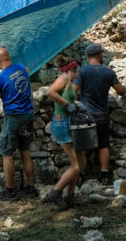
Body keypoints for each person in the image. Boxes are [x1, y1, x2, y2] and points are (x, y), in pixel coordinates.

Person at [0, 47, 38, 201]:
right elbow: (26, 71)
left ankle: (10, 191)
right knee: (25, 152)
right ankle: (31, 188)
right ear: (9, 57)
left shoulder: (0, 78)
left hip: (13, 118)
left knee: (7, 155)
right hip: (27, 115)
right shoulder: (21, 68)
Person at [73, 43, 126, 185]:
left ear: (88, 56)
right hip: (102, 115)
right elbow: (120, 91)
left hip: (86, 116)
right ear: (100, 54)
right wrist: (125, 89)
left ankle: (80, 175)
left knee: (82, 146)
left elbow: (73, 91)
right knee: (103, 145)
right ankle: (104, 175)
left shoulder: (83, 71)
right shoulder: (108, 72)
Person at [44, 55, 87, 207]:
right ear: (72, 70)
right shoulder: (64, 78)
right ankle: (54, 193)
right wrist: (65, 103)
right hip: (61, 123)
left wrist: (75, 104)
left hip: (68, 122)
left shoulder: (68, 80)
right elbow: (50, 93)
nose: (78, 76)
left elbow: (66, 97)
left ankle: (69, 197)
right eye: (77, 72)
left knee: (81, 164)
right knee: (76, 166)